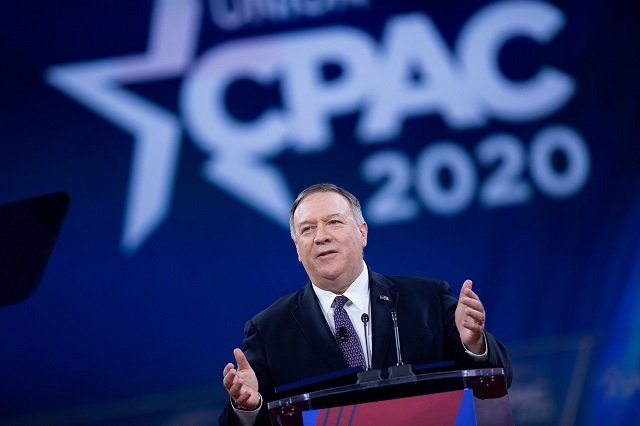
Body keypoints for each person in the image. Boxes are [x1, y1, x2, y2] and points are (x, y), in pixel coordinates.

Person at [220, 183, 512, 425]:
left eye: (333, 222)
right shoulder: (270, 330)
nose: (321, 236)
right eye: (307, 229)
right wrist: (249, 406)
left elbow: (500, 379)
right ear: (297, 248)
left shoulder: (426, 298)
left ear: (362, 233)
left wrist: (474, 346)